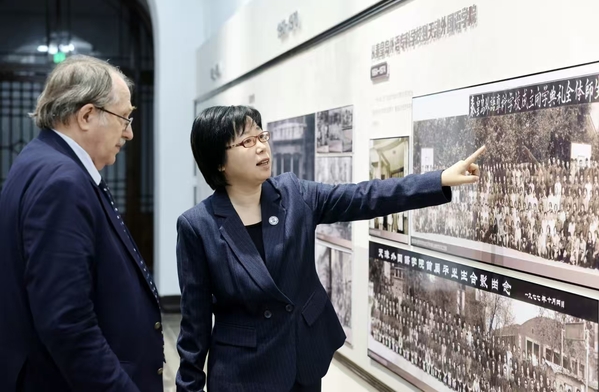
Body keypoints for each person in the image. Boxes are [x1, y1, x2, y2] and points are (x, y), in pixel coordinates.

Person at [175, 105, 485, 392]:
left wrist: (439, 180)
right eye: (247, 141)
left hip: (302, 357)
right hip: (244, 371)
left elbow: (364, 196)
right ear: (219, 161)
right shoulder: (198, 226)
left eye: (261, 136)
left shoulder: (293, 195)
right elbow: (194, 324)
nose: (261, 147)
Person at [0, 55, 164, 392]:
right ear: (87, 115)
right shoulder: (62, 181)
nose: (130, 133)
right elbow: (67, 323)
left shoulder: (37, 159)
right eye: (124, 118)